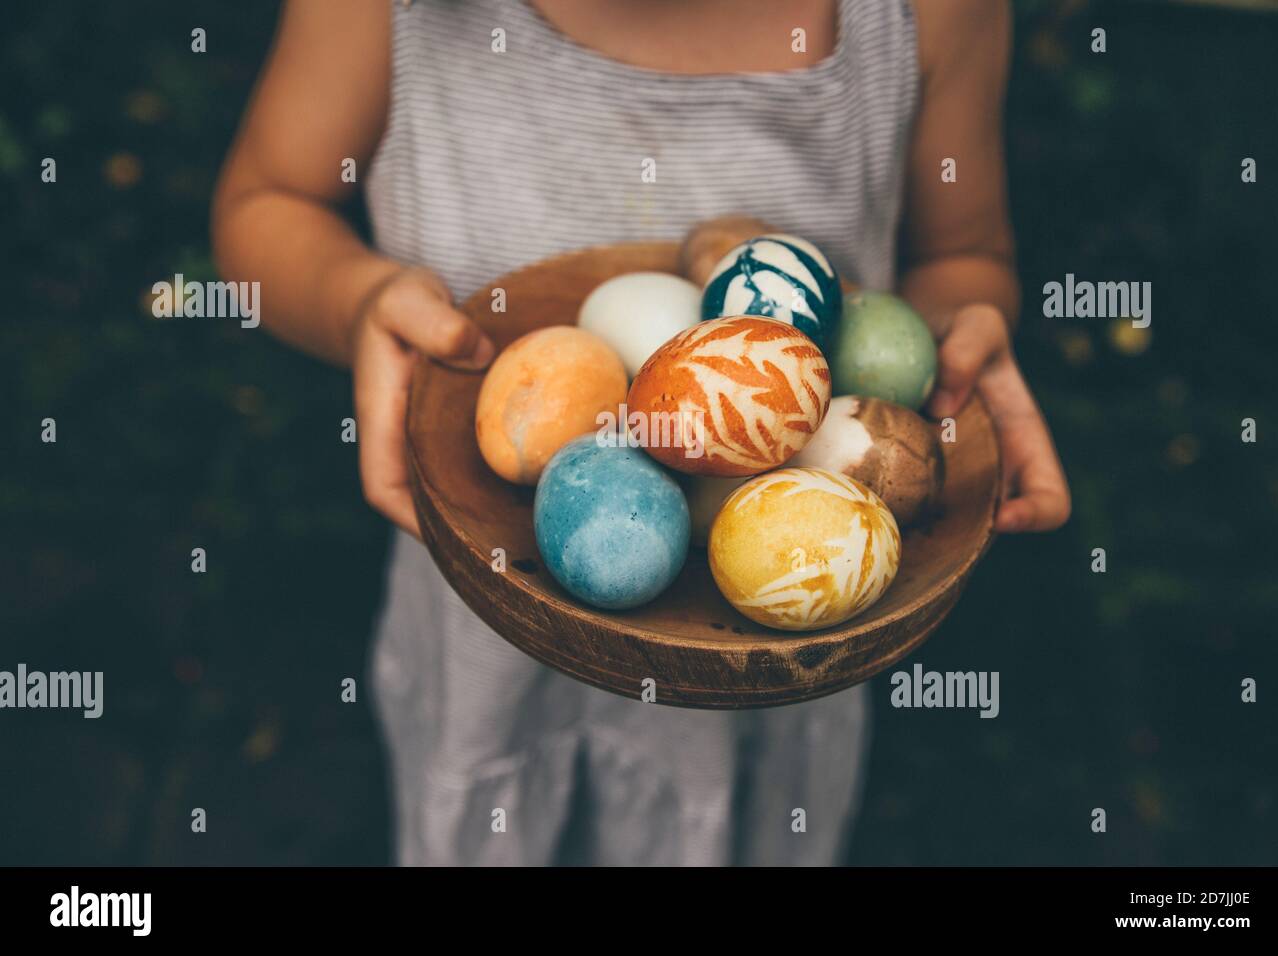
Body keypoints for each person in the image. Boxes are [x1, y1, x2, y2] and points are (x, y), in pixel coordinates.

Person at [212, 0, 1070, 865]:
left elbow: (964, 256)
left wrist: (948, 345)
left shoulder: (929, 13)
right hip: (486, 613)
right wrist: (357, 300)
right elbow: (268, 203)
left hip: (776, 649)